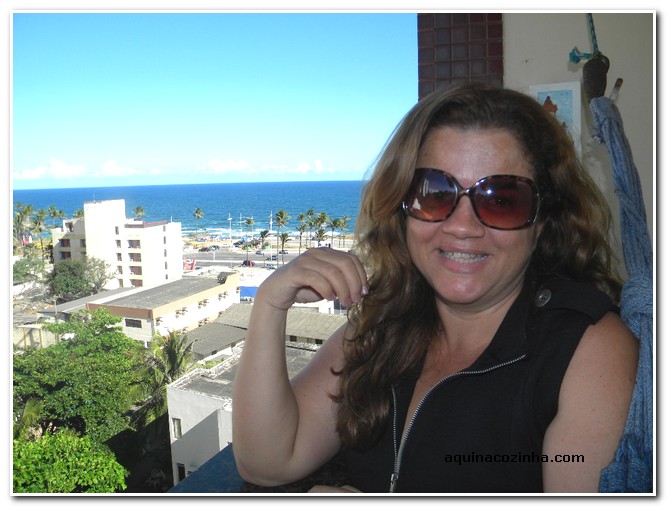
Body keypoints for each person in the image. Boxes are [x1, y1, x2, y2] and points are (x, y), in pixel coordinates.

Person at [231, 82, 638, 493]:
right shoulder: (384, 321)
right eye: (435, 194)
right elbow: (268, 463)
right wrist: (270, 303)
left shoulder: (587, 349)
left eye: (501, 199)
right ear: (403, 208)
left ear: (543, 220)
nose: (462, 226)